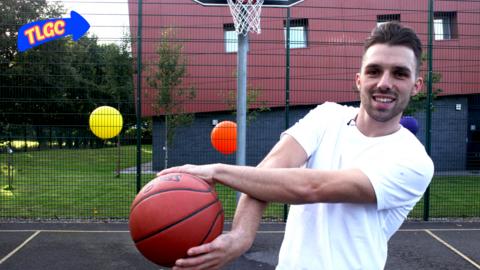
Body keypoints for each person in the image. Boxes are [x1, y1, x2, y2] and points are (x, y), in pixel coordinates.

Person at [158, 21, 434, 270]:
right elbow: (270, 171)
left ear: (417, 85)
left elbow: (311, 187)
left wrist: (217, 171)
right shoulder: (327, 115)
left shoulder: (412, 160)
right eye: (374, 71)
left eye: (399, 74)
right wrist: (241, 235)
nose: (384, 83)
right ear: (359, 79)